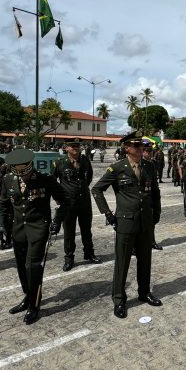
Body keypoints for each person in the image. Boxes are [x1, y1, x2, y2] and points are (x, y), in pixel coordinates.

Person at [91, 130, 163, 319]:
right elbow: (97, 190)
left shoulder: (149, 166)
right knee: (122, 262)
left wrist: (157, 213)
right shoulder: (117, 168)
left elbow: (155, 192)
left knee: (145, 259)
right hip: (125, 222)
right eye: (137, 146)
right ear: (127, 148)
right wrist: (108, 214)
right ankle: (119, 299)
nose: (141, 149)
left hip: (145, 221)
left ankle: (144, 292)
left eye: (142, 146)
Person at [0, 148, 68, 325]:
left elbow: (64, 200)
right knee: (21, 265)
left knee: (33, 266)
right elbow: (3, 205)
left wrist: (57, 221)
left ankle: (34, 305)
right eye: (18, 172)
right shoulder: (8, 180)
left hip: (38, 228)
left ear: (30, 167)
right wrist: (0, 224)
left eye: (25, 172)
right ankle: (28, 296)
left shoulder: (45, 179)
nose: (23, 176)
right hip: (18, 229)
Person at [52, 140, 101, 271]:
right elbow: (52, 181)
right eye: (72, 146)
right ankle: (69, 258)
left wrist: (82, 189)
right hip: (68, 203)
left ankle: (89, 253)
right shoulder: (60, 162)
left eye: (77, 146)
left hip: (84, 201)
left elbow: (89, 177)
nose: (75, 148)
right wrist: (58, 198)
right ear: (66, 148)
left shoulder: (85, 160)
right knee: (69, 232)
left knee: (86, 229)